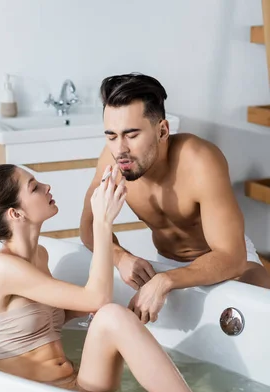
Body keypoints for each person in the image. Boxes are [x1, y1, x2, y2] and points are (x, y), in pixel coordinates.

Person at [0, 163, 205, 392]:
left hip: (75, 385)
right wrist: (103, 221)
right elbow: (97, 298)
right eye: (34, 187)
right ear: (16, 213)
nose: (46, 187)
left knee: (113, 317)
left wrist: (129, 312)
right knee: (111, 315)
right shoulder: (3, 269)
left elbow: (59, 315)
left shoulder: (40, 256)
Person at [80, 73, 270, 325]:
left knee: (257, 295)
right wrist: (121, 257)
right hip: (167, 263)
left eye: (132, 135)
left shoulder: (200, 160)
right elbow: (88, 228)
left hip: (226, 261)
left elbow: (231, 257)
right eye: (111, 136)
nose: (120, 149)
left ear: (162, 130)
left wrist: (166, 281)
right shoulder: (113, 160)